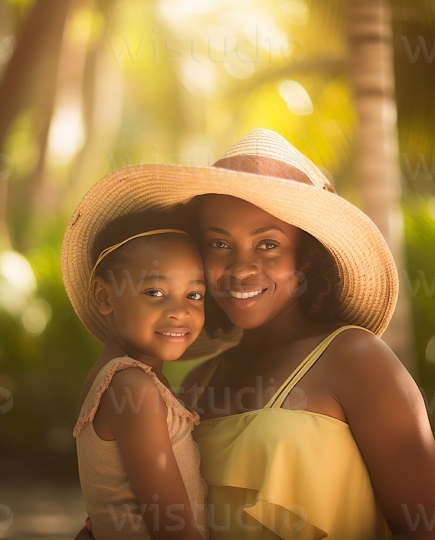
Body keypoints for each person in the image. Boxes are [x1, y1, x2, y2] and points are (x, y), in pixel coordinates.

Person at [65, 129, 435, 539]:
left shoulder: (355, 359)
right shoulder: (194, 387)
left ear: (306, 256)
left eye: (268, 245)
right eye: (219, 244)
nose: (241, 268)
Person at [64, 209, 209, 539]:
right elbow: (172, 529)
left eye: (195, 295)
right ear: (105, 297)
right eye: (155, 292)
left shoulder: (119, 378)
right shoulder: (131, 385)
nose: (181, 311)